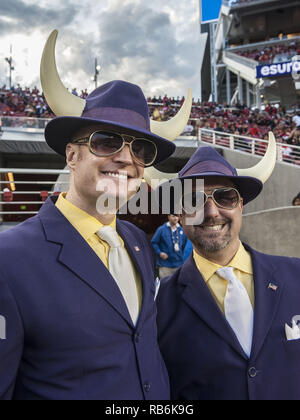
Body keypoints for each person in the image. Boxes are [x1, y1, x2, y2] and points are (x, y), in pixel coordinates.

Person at [0, 30, 192, 400]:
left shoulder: (138, 243)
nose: (126, 158)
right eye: (106, 141)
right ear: (72, 156)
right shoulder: (8, 259)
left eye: (141, 149)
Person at [156, 136, 300, 400]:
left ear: (241, 205)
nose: (211, 212)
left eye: (225, 197)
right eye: (194, 201)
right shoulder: (158, 304)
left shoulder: (296, 276)